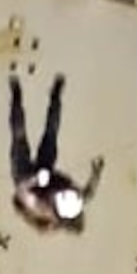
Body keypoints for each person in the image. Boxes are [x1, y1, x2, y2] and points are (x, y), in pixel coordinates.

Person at [9, 75, 103, 232]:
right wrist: (96, 172)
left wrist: (35, 180)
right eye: (68, 192)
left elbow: (21, 190)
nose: (64, 192)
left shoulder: (40, 207)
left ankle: (16, 96)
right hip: (48, 173)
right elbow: (89, 193)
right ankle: (56, 96)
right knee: (51, 133)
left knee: (19, 136)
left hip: (24, 176)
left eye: (62, 195)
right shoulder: (75, 201)